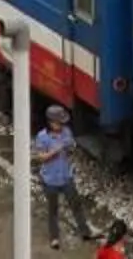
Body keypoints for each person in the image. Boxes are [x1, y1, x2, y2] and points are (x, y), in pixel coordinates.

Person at [32, 104, 93, 249]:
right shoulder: (42, 137)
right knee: (53, 209)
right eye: (58, 123)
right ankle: (54, 238)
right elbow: (40, 157)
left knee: (76, 205)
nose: (61, 125)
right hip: (50, 180)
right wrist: (55, 151)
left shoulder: (66, 132)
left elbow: (71, 146)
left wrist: (70, 147)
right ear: (51, 122)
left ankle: (84, 231)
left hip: (66, 176)